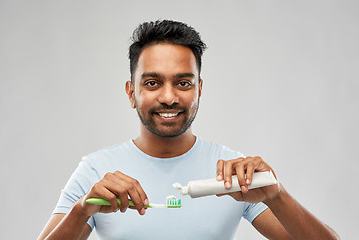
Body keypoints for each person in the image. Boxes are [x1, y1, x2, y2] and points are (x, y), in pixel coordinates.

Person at [38, 20, 339, 240]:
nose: (169, 97)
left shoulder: (233, 174)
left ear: (199, 89)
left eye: (183, 83)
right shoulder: (96, 170)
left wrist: (277, 196)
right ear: (131, 93)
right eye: (152, 83)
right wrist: (81, 211)